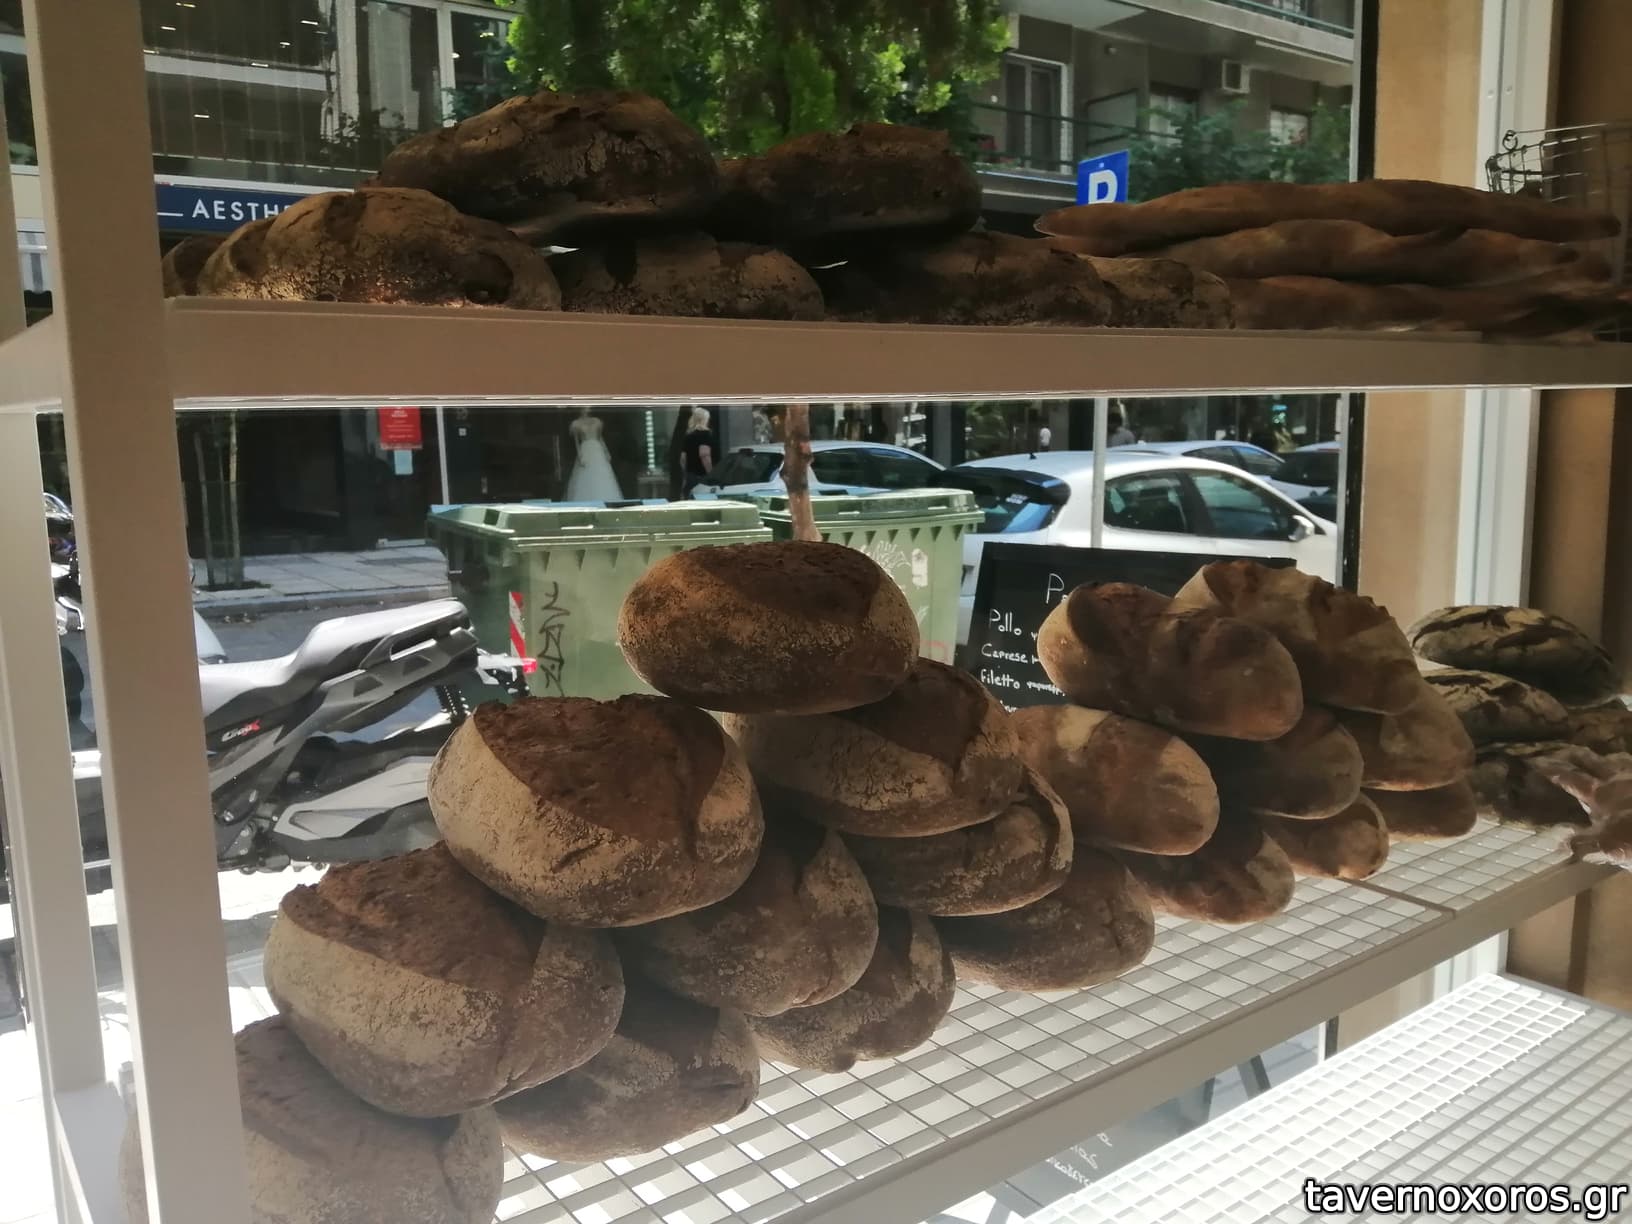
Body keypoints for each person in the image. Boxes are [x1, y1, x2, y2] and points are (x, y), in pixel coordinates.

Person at [564, 406, 624, 502]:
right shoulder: (576, 424)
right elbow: (576, 442)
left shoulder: (596, 421)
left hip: (597, 449)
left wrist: (606, 452)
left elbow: (600, 438)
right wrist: (580, 455)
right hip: (585, 449)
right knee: (586, 474)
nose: (586, 409)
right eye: (584, 407)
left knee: (601, 472)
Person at [681, 408, 714, 498]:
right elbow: (704, 455)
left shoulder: (688, 436)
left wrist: (686, 473)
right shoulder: (705, 434)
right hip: (702, 476)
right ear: (704, 419)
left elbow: (683, 458)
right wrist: (711, 474)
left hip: (690, 476)